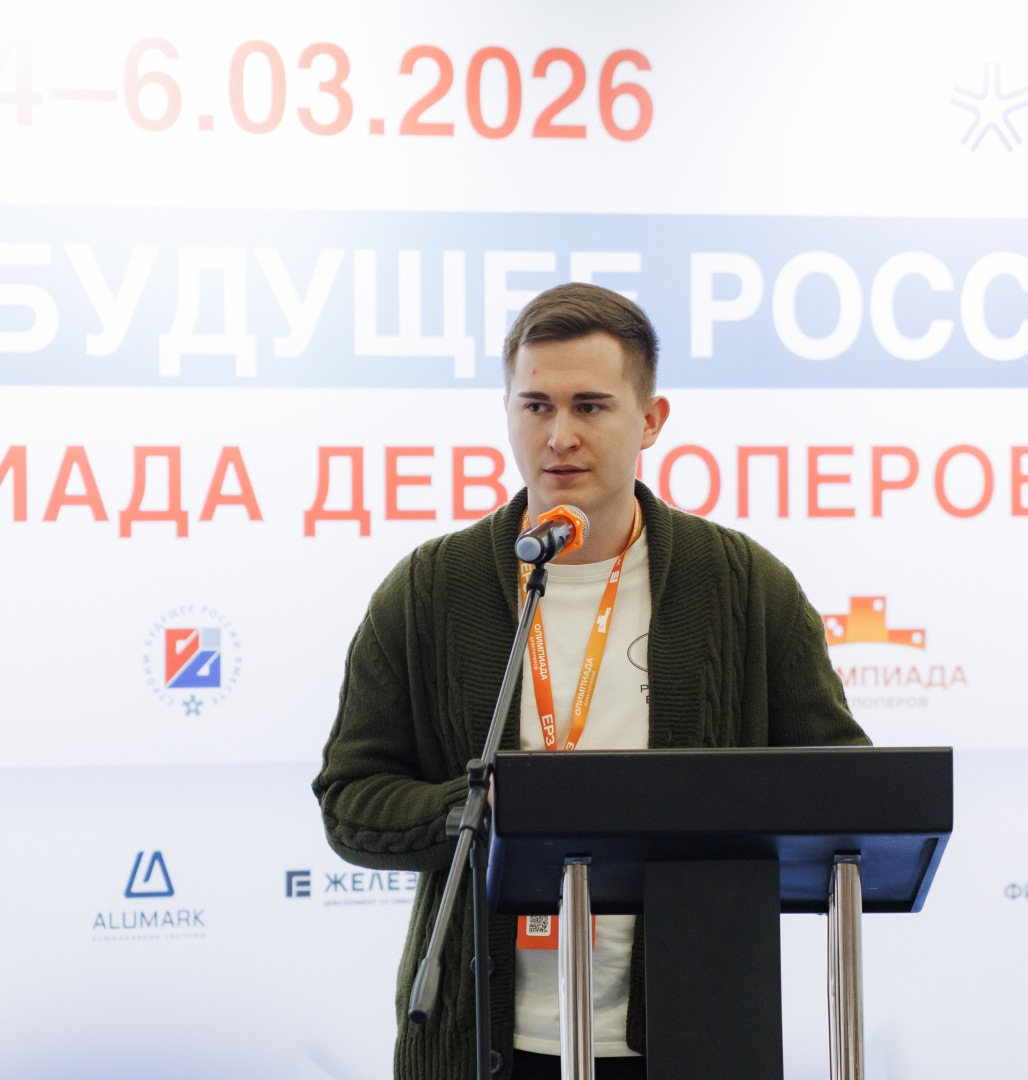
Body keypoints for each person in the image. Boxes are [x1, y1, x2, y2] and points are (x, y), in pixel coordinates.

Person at [313, 283, 868, 1080]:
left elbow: (842, 789)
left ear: (651, 419)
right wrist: (483, 814)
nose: (560, 436)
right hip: (482, 1044)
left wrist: (714, 812)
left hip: (696, 1036)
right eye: (536, 406)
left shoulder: (744, 586)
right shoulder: (431, 589)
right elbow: (349, 798)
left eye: (591, 406)